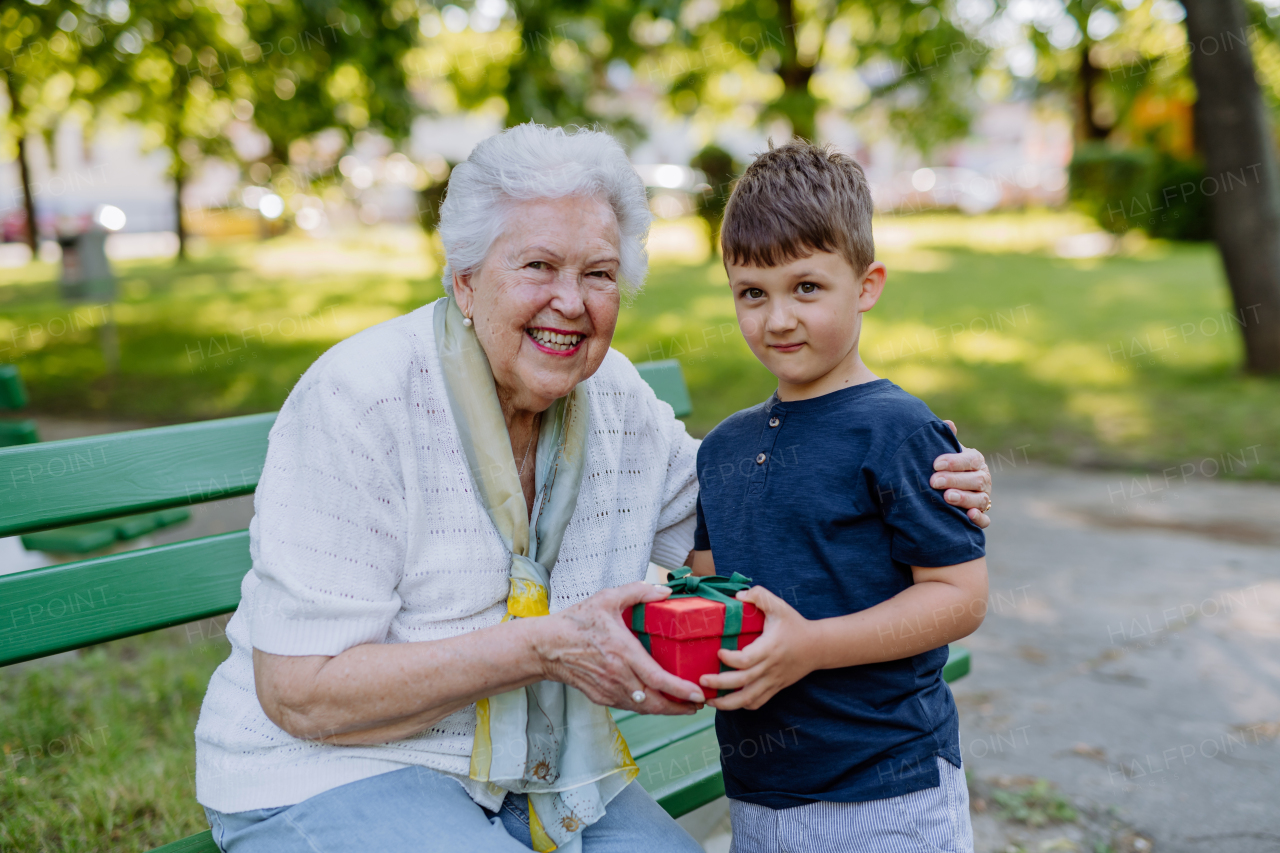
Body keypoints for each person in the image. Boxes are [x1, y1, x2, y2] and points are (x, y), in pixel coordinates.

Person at [192, 123, 994, 853]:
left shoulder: (612, 398)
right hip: (335, 770)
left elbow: (758, 499)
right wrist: (543, 646)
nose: (570, 303)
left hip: (545, 773)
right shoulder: (363, 398)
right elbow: (300, 693)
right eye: (537, 265)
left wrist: (930, 470)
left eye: (599, 274)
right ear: (465, 281)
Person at [689, 140, 988, 853]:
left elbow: (958, 595)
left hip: (887, 786)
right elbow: (711, 586)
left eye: (807, 287)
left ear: (867, 284)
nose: (778, 318)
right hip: (761, 791)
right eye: (752, 292)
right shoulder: (723, 448)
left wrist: (814, 645)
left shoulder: (899, 428)